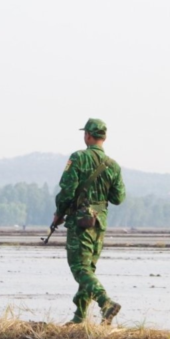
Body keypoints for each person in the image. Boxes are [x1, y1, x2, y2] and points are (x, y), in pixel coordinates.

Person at [52, 119, 126, 325]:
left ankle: (106, 303)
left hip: (80, 221)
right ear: (105, 137)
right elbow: (118, 198)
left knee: (80, 268)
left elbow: (67, 190)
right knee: (88, 269)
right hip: (99, 224)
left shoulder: (78, 158)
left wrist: (59, 213)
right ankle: (79, 317)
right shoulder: (113, 165)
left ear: (87, 136)